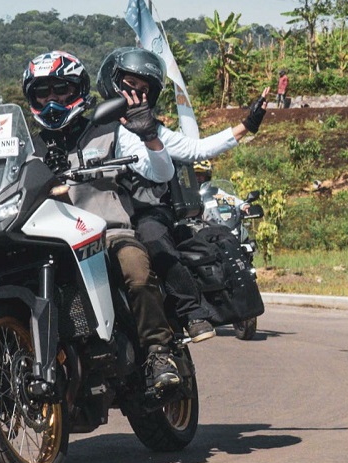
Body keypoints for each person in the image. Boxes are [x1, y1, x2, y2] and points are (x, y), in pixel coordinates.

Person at [23, 50, 181, 389]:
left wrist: (150, 135)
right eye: (42, 92)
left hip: (107, 232)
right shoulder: (27, 150)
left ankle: (158, 352)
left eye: (60, 89)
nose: (52, 99)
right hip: (48, 240)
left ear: (78, 89)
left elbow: (161, 171)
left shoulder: (110, 129)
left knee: (136, 269)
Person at [96, 47, 267, 342]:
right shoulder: (93, 127)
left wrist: (247, 125)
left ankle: (192, 312)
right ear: (113, 80)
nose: (136, 92)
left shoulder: (152, 129)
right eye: (130, 84)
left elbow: (194, 151)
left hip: (144, 209)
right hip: (100, 211)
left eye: (143, 89)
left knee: (153, 240)